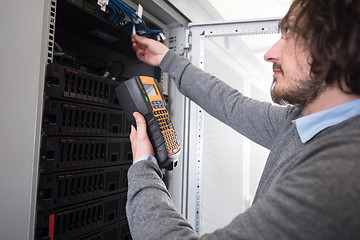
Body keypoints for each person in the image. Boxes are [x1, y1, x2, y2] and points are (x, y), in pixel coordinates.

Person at [126, 0, 360, 239]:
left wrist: (143, 167)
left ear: (336, 44)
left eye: (289, 33)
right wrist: (169, 60)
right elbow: (232, 105)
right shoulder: (304, 123)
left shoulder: (336, 176)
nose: (270, 55)